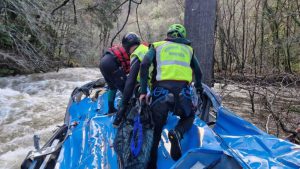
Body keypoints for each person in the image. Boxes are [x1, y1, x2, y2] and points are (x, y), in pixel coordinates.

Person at [139, 24, 204, 168]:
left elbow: (144, 65)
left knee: (155, 134)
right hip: (182, 95)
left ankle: (151, 166)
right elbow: (198, 73)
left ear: (168, 35)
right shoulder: (189, 50)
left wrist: (143, 91)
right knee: (189, 117)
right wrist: (198, 88)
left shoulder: (157, 46)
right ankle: (178, 132)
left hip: (160, 95)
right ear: (183, 36)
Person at [112, 32, 150, 128]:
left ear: (126, 46)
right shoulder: (146, 49)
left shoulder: (136, 54)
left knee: (133, 91)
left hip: (150, 88)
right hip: (160, 85)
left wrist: (122, 107)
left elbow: (130, 81)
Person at [99, 44, 130, 115]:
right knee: (127, 90)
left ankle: (111, 109)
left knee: (112, 87)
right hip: (111, 65)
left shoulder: (123, 48)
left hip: (102, 63)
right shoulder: (133, 53)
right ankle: (121, 113)